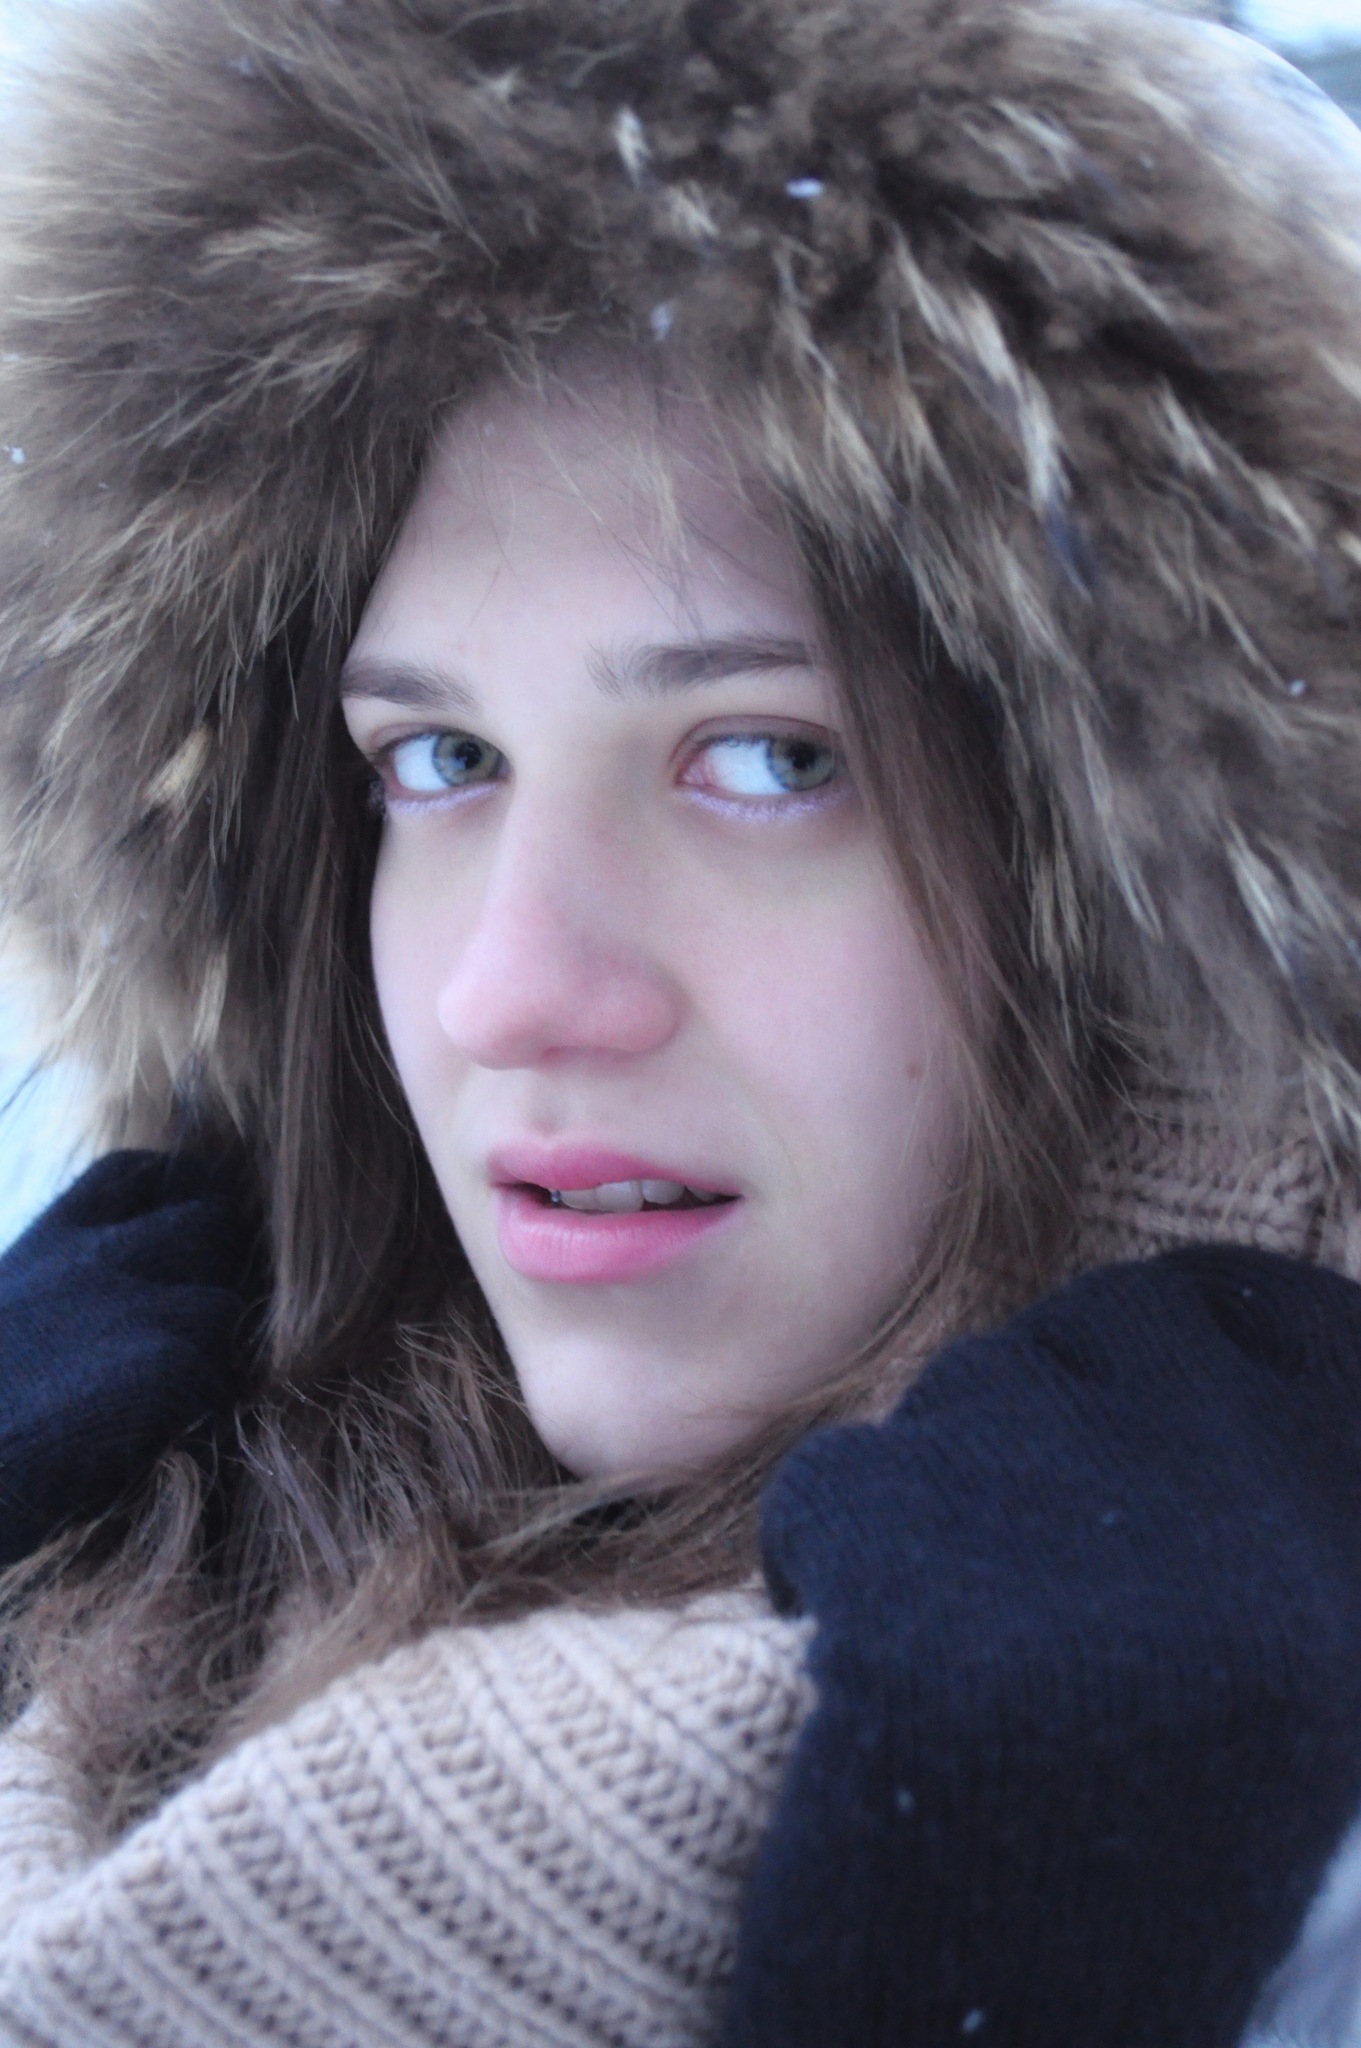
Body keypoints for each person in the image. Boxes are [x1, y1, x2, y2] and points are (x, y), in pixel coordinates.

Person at [1, 0, 1361, 2040]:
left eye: (767, 758)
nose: (507, 992)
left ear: (1132, 901)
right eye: (440, 760)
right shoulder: (115, 1497)